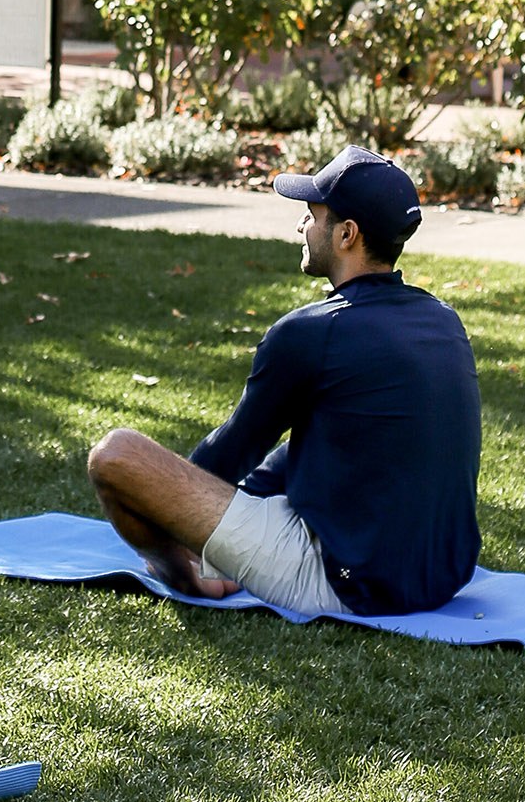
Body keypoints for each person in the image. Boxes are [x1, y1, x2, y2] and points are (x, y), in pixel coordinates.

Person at [86, 146, 481, 616]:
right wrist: (245, 497)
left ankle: (182, 571)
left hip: (349, 582)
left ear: (347, 235)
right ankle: (202, 553)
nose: (301, 226)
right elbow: (339, 446)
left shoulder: (310, 332)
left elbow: (230, 455)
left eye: (313, 215)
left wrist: (169, 509)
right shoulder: (442, 319)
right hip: (444, 575)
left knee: (116, 456)